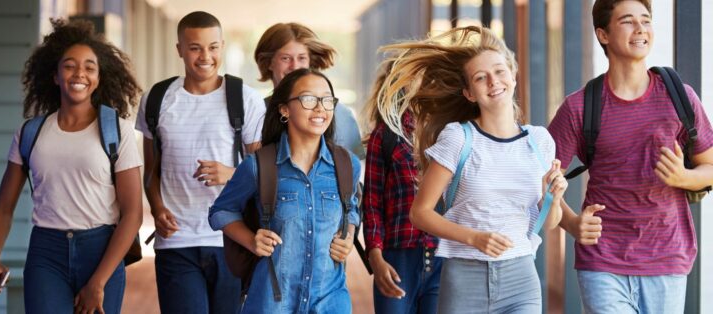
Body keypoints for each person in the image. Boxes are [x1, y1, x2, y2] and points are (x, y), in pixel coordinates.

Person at [378, 26, 568, 313]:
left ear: (513, 76)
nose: (494, 81)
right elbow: (420, 213)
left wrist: (553, 195)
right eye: (481, 77)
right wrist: (474, 237)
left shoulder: (539, 141)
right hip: (464, 278)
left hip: (521, 279)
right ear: (469, 93)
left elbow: (550, 222)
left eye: (500, 71)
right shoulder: (458, 138)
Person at [548, 1, 713, 313]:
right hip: (602, 259)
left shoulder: (680, 97)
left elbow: (711, 165)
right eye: (627, 21)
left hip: (667, 260)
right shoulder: (579, 107)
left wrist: (684, 178)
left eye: (646, 20)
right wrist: (571, 223)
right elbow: (538, 178)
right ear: (603, 34)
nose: (640, 29)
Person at [0, 19, 142, 313]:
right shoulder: (31, 133)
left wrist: (98, 282)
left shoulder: (118, 132)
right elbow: (4, 207)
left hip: (101, 251)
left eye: (89, 67)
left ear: (99, 77)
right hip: (46, 253)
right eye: (69, 65)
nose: (79, 73)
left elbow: (132, 214)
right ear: (55, 76)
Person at [135, 11, 266, 314]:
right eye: (195, 47)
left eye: (213, 47)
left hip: (231, 240)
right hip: (176, 242)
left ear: (221, 46)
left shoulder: (244, 99)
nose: (205, 56)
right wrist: (156, 208)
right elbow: (151, 171)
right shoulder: (157, 99)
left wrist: (231, 175)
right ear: (179, 49)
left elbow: (263, 174)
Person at [209, 68, 360, 313]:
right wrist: (251, 241)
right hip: (272, 302)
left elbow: (351, 208)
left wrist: (349, 234)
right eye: (309, 99)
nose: (320, 107)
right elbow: (221, 211)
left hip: (330, 301)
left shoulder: (347, 165)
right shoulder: (258, 167)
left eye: (327, 99)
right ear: (284, 109)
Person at [361, 59, 442, 314]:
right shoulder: (385, 136)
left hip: (445, 255)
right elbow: (372, 202)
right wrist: (375, 255)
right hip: (398, 257)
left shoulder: (450, 132)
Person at [254, 22, 364, 158]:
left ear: (310, 62)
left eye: (302, 58)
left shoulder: (341, 116)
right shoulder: (253, 112)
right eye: (285, 58)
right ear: (269, 62)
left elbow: (352, 171)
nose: (295, 66)